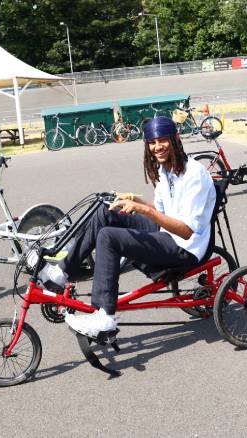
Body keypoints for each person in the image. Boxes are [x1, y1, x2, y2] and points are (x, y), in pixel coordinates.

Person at [39, 116, 216, 338]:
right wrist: (133, 200)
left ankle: (105, 316)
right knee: (106, 210)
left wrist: (143, 210)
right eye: (152, 142)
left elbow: (187, 230)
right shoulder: (165, 170)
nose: (157, 147)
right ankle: (61, 272)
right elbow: (161, 210)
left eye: (163, 140)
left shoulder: (195, 175)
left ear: (176, 139)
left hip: (185, 248)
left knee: (109, 237)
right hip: (167, 233)